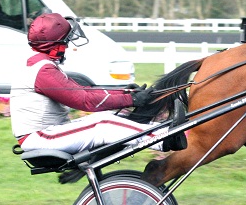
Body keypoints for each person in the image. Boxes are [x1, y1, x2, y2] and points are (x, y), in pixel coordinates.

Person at [10, 12, 185, 154]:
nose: (69, 46)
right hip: (40, 137)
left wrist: (125, 93)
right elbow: (85, 101)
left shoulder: (43, 65)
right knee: (104, 125)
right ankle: (164, 139)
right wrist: (131, 100)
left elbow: (84, 90)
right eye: (66, 41)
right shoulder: (44, 71)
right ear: (57, 45)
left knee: (109, 118)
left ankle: (166, 129)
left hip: (47, 133)